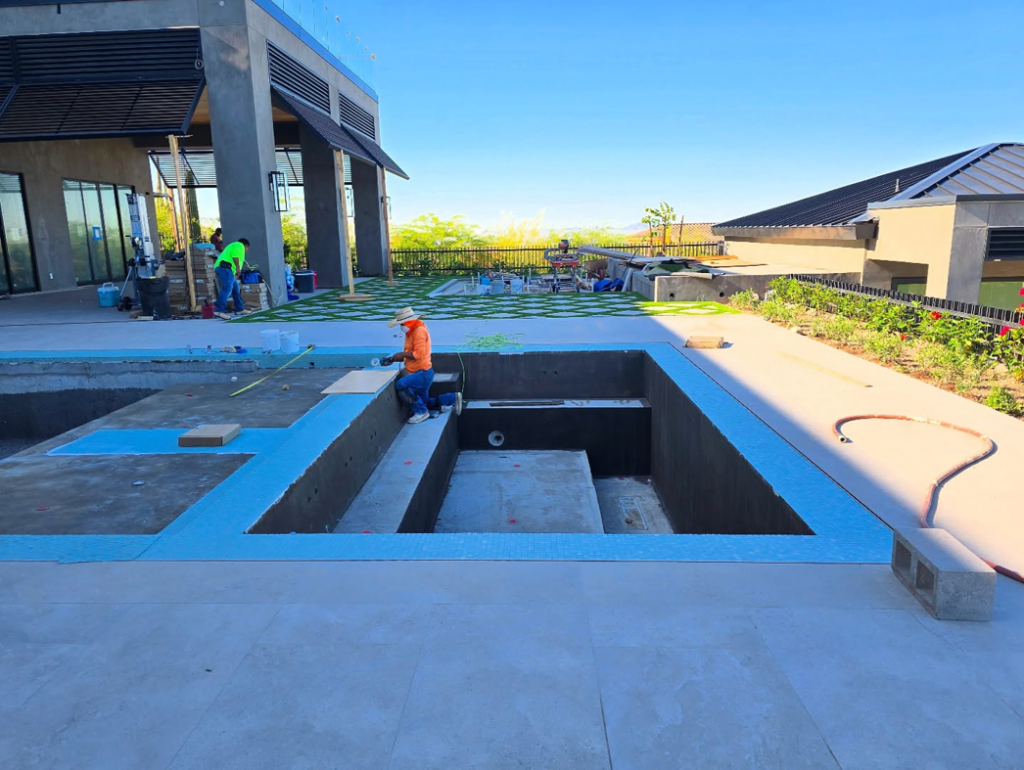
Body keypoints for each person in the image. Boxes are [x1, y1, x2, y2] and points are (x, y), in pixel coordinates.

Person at [386, 307, 461, 424]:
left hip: (422, 373)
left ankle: (421, 412)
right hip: (420, 372)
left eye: (402, 323)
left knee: (402, 385)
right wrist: (394, 358)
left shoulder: (418, 331)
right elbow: (411, 352)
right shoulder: (411, 331)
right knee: (424, 401)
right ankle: (451, 398)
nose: (401, 327)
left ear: (410, 321)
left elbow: (419, 354)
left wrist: (401, 354)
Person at [214, 238, 250, 316]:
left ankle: (240, 309)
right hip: (224, 268)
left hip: (227, 269)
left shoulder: (234, 246)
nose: (246, 251)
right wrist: (237, 268)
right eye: (247, 249)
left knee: (235, 289)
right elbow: (235, 256)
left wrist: (235, 271)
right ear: (246, 246)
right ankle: (219, 310)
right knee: (227, 288)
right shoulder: (239, 245)